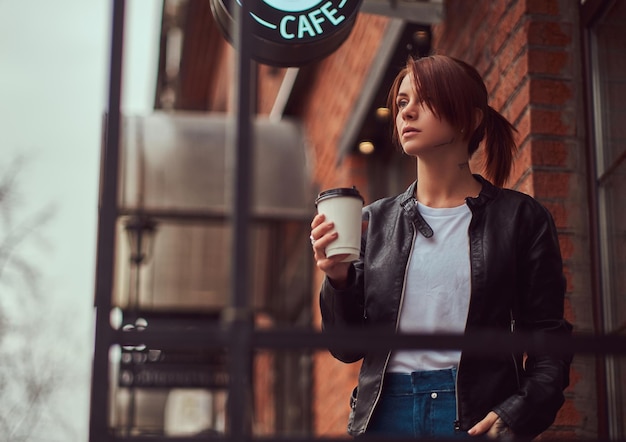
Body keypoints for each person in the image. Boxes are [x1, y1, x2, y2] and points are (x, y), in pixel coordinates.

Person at [310, 55, 572, 439]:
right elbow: (346, 349)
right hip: (386, 414)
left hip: (475, 412)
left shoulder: (519, 218)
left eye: (424, 98)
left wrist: (518, 412)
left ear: (471, 117)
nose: (406, 112)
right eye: (401, 102)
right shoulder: (374, 222)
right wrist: (338, 280)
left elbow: (551, 340)